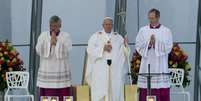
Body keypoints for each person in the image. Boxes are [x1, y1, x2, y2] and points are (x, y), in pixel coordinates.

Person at [85, 17, 129, 101]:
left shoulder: (118, 37)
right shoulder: (96, 36)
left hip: (114, 70)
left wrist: (125, 45)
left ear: (112, 25)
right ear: (103, 25)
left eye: (110, 24)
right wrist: (102, 48)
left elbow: (124, 53)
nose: (108, 26)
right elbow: (90, 50)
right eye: (106, 24)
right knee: (100, 91)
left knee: (114, 92)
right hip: (100, 70)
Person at [135, 8, 173, 101]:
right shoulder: (143, 30)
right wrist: (149, 44)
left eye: (152, 18)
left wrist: (156, 43)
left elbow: (168, 47)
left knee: (161, 88)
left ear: (158, 17)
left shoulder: (166, 31)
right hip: (147, 63)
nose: (151, 20)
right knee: (146, 90)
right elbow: (138, 45)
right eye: (149, 18)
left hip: (160, 65)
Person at [36, 15, 72, 101]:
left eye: (55, 26)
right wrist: (49, 43)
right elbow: (38, 49)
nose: (53, 28)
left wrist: (56, 42)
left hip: (61, 70)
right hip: (47, 70)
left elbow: (68, 49)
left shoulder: (66, 36)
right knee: (47, 96)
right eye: (51, 25)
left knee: (64, 95)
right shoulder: (43, 35)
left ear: (60, 26)